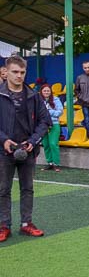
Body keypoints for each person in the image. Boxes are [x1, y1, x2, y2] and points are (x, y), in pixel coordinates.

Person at [0, 56, 51, 243]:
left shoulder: (33, 96)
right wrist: (4, 140)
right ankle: (3, 225)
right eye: (15, 72)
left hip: (27, 150)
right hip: (3, 151)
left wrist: (33, 140)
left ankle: (26, 223)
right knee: (3, 189)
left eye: (22, 72)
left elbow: (45, 121)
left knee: (27, 188)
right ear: (6, 72)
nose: (19, 76)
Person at [39, 83, 64, 172]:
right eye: (44, 91)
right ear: (41, 92)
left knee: (53, 143)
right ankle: (49, 163)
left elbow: (60, 112)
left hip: (54, 124)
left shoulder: (56, 99)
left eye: (48, 90)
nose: (46, 92)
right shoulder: (39, 100)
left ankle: (56, 164)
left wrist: (48, 111)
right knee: (46, 144)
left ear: (50, 91)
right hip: (42, 125)